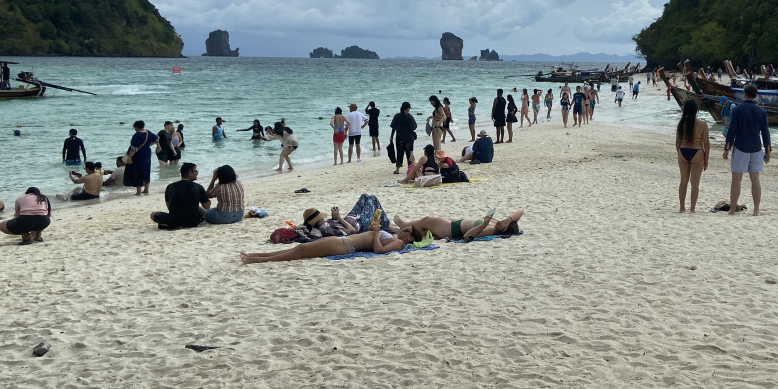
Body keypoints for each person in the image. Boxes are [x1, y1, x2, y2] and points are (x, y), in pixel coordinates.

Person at [240, 211, 408, 263]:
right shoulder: (394, 235)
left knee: (301, 250)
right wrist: (376, 229)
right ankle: (255, 256)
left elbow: (379, 250)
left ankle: (255, 260)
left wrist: (377, 232)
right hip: (343, 242)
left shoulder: (399, 243)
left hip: (345, 246)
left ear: (409, 237)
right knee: (299, 248)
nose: (403, 228)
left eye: (406, 229)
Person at [723, 83, 771, 216]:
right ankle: (756, 210)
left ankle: (732, 209)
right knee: (755, 179)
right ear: (756, 95)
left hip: (740, 147)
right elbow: (766, 133)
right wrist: (767, 152)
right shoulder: (761, 111)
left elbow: (732, 130)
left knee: (736, 180)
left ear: (744, 94)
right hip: (756, 148)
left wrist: (727, 148)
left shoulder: (738, 109)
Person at [391, 210, 523, 241]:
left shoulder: (491, 229)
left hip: (451, 229)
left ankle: (404, 225)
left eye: (504, 224)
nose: (501, 222)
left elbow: (467, 236)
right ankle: (401, 231)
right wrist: (508, 219)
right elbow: (521, 211)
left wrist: (484, 224)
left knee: (427, 220)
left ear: (504, 230)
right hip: (455, 224)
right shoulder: (499, 224)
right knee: (426, 227)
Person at [675, 99, 710, 213]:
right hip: (697, 151)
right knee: (695, 183)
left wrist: (679, 154)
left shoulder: (681, 124)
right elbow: (706, 144)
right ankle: (692, 209)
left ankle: (681, 207)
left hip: (683, 151)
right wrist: (706, 159)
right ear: (697, 110)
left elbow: (677, 143)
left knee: (683, 181)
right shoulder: (703, 124)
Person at [150, 162, 209, 229]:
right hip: (193, 222)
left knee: (153, 214)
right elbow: (207, 206)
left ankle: (168, 224)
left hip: (174, 221)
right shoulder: (198, 187)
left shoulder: (170, 187)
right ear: (190, 173)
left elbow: (169, 206)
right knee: (201, 209)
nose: (197, 173)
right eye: (195, 171)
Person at [123, 120, 157, 195]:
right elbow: (157, 138)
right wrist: (148, 145)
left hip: (138, 155)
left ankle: (138, 191)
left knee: (138, 171)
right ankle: (146, 189)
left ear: (136, 127)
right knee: (146, 170)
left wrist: (129, 157)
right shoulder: (148, 132)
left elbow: (134, 148)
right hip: (147, 153)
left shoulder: (137, 135)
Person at [389, 101, 419, 174]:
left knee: (399, 153)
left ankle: (397, 169)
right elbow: (414, 127)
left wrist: (391, 136)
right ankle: (410, 169)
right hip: (408, 138)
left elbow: (393, 127)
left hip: (399, 137)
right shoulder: (410, 117)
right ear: (407, 108)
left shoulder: (396, 116)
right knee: (409, 154)